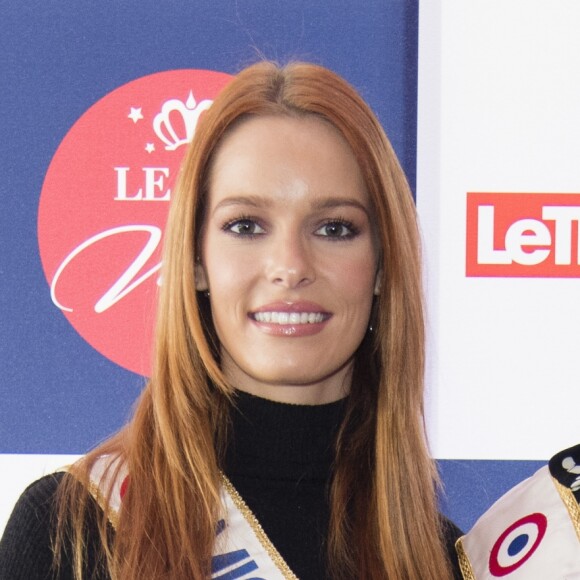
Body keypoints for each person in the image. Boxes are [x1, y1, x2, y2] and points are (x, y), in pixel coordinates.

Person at [0, 61, 463, 579]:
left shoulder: (442, 560)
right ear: (197, 259)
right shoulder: (72, 530)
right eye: (246, 225)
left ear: (382, 265)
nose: (289, 266)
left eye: (334, 228)